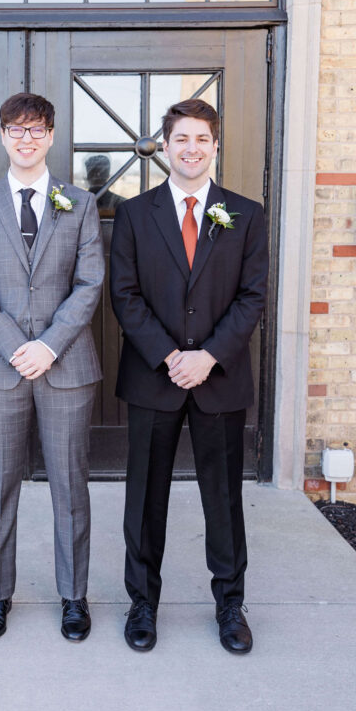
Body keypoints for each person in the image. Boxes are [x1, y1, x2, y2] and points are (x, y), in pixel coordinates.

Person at [110, 99, 268, 655]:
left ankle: (229, 602)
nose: (192, 148)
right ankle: (143, 602)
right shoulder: (134, 214)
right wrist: (170, 356)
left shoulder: (246, 214)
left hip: (219, 380)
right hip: (155, 378)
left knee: (223, 499)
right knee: (145, 497)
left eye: (202, 138)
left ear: (215, 145)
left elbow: (252, 297)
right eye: (181, 139)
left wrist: (208, 356)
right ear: (165, 146)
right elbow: (124, 296)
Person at [0, 93, 104, 642]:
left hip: (66, 367)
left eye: (36, 129)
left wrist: (50, 345)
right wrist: (20, 346)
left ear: (50, 136)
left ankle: (74, 597)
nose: (26, 139)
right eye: (16, 130)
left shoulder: (80, 204)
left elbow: (90, 282)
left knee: (70, 484)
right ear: (2, 136)